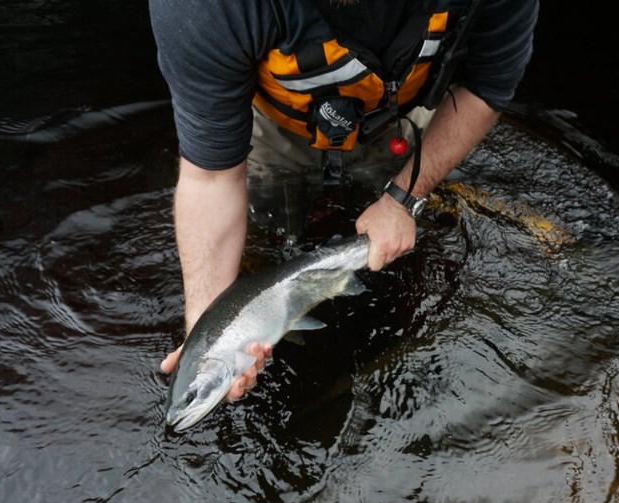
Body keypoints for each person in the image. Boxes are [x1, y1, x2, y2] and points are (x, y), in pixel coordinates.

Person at [151, 0, 538, 398]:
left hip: (400, 116)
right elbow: (212, 177)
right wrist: (206, 331)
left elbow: (486, 87)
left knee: (409, 263)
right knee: (262, 243)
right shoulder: (205, 9)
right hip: (274, 119)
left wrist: (403, 198)